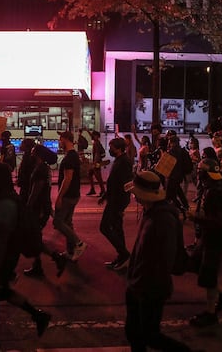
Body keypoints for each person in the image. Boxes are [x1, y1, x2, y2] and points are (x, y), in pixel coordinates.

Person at [0, 162, 50, 352]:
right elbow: (2, 224)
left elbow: (3, 239)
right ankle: (37, 316)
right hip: (2, 254)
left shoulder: (5, 202)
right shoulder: (4, 198)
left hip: (0, 255)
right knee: (0, 291)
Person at [124, 171, 191, 352]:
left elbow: (163, 260)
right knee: (133, 332)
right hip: (138, 284)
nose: (133, 196)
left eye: (135, 193)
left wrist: (143, 286)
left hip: (150, 288)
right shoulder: (151, 212)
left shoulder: (162, 219)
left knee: (149, 335)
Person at [189, 159, 222, 328]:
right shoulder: (217, 186)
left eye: (199, 169)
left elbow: (216, 221)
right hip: (211, 237)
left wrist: (195, 218)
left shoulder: (213, 192)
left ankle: (210, 313)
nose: (197, 172)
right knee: (196, 263)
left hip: (214, 238)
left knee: (208, 274)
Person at [23, 145, 68, 278]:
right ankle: (38, 266)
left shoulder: (40, 169)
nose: (30, 154)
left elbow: (36, 191)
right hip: (43, 207)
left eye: (32, 152)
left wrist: (28, 207)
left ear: (38, 155)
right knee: (35, 237)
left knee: (33, 237)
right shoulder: (44, 168)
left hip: (39, 208)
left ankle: (56, 258)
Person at [99, 138, 133, 271]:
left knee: (105, 227)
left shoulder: (124, 162)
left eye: (111, 147)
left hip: (117, 202)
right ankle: (122, 256)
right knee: (117, 228)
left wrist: (122, 205)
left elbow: (125, 185)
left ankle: (124, 254)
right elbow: (114, 182)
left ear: (118, 148)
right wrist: (105, 195)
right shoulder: (119, 160)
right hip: (113, 200)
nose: (110, 149)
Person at [54, 131, 87, 261]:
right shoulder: (72, 155)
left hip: (68, 195)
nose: (59, 142)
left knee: (58, 222)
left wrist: (59, 197)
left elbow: (67, 179)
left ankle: (79, 243)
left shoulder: (70, 157)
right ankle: (71, 250)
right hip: (73, 194)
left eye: (60, 139)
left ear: (66, 139)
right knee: (67, 222)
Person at [86, 130, 106, 196]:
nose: (93, 136)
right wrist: (87, 130)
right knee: (90, 174)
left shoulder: (97, 143)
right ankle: (93, 189)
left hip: (97, 162)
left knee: (98, 177)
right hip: (96, 162)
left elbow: (97, 153)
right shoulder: (96, 142)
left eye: (94, 135)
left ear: (96, 136)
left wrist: (95, 163)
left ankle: (102, 191)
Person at [16, 138, 36, 203]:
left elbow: (26, 170)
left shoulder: (28, 156)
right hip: (26, 183)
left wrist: (21, 179)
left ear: (26, 145)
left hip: (26, 184)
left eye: (22, 143)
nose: (20, 145)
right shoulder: (27, 155)